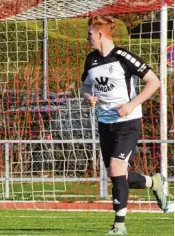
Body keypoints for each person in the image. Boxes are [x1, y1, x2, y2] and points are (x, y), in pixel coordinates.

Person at [80, 15, 167, 235]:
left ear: (100, 34)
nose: (87, 37)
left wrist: (131, 104)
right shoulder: (91, 60)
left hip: (127, 121)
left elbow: (154, 81)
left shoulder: (123, 57)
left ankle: (119, 225)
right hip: (104, 122)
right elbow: (85, 87)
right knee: (118, 174)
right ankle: (153, 182)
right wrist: (88, 97)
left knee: (118, 168)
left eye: (90, 33)